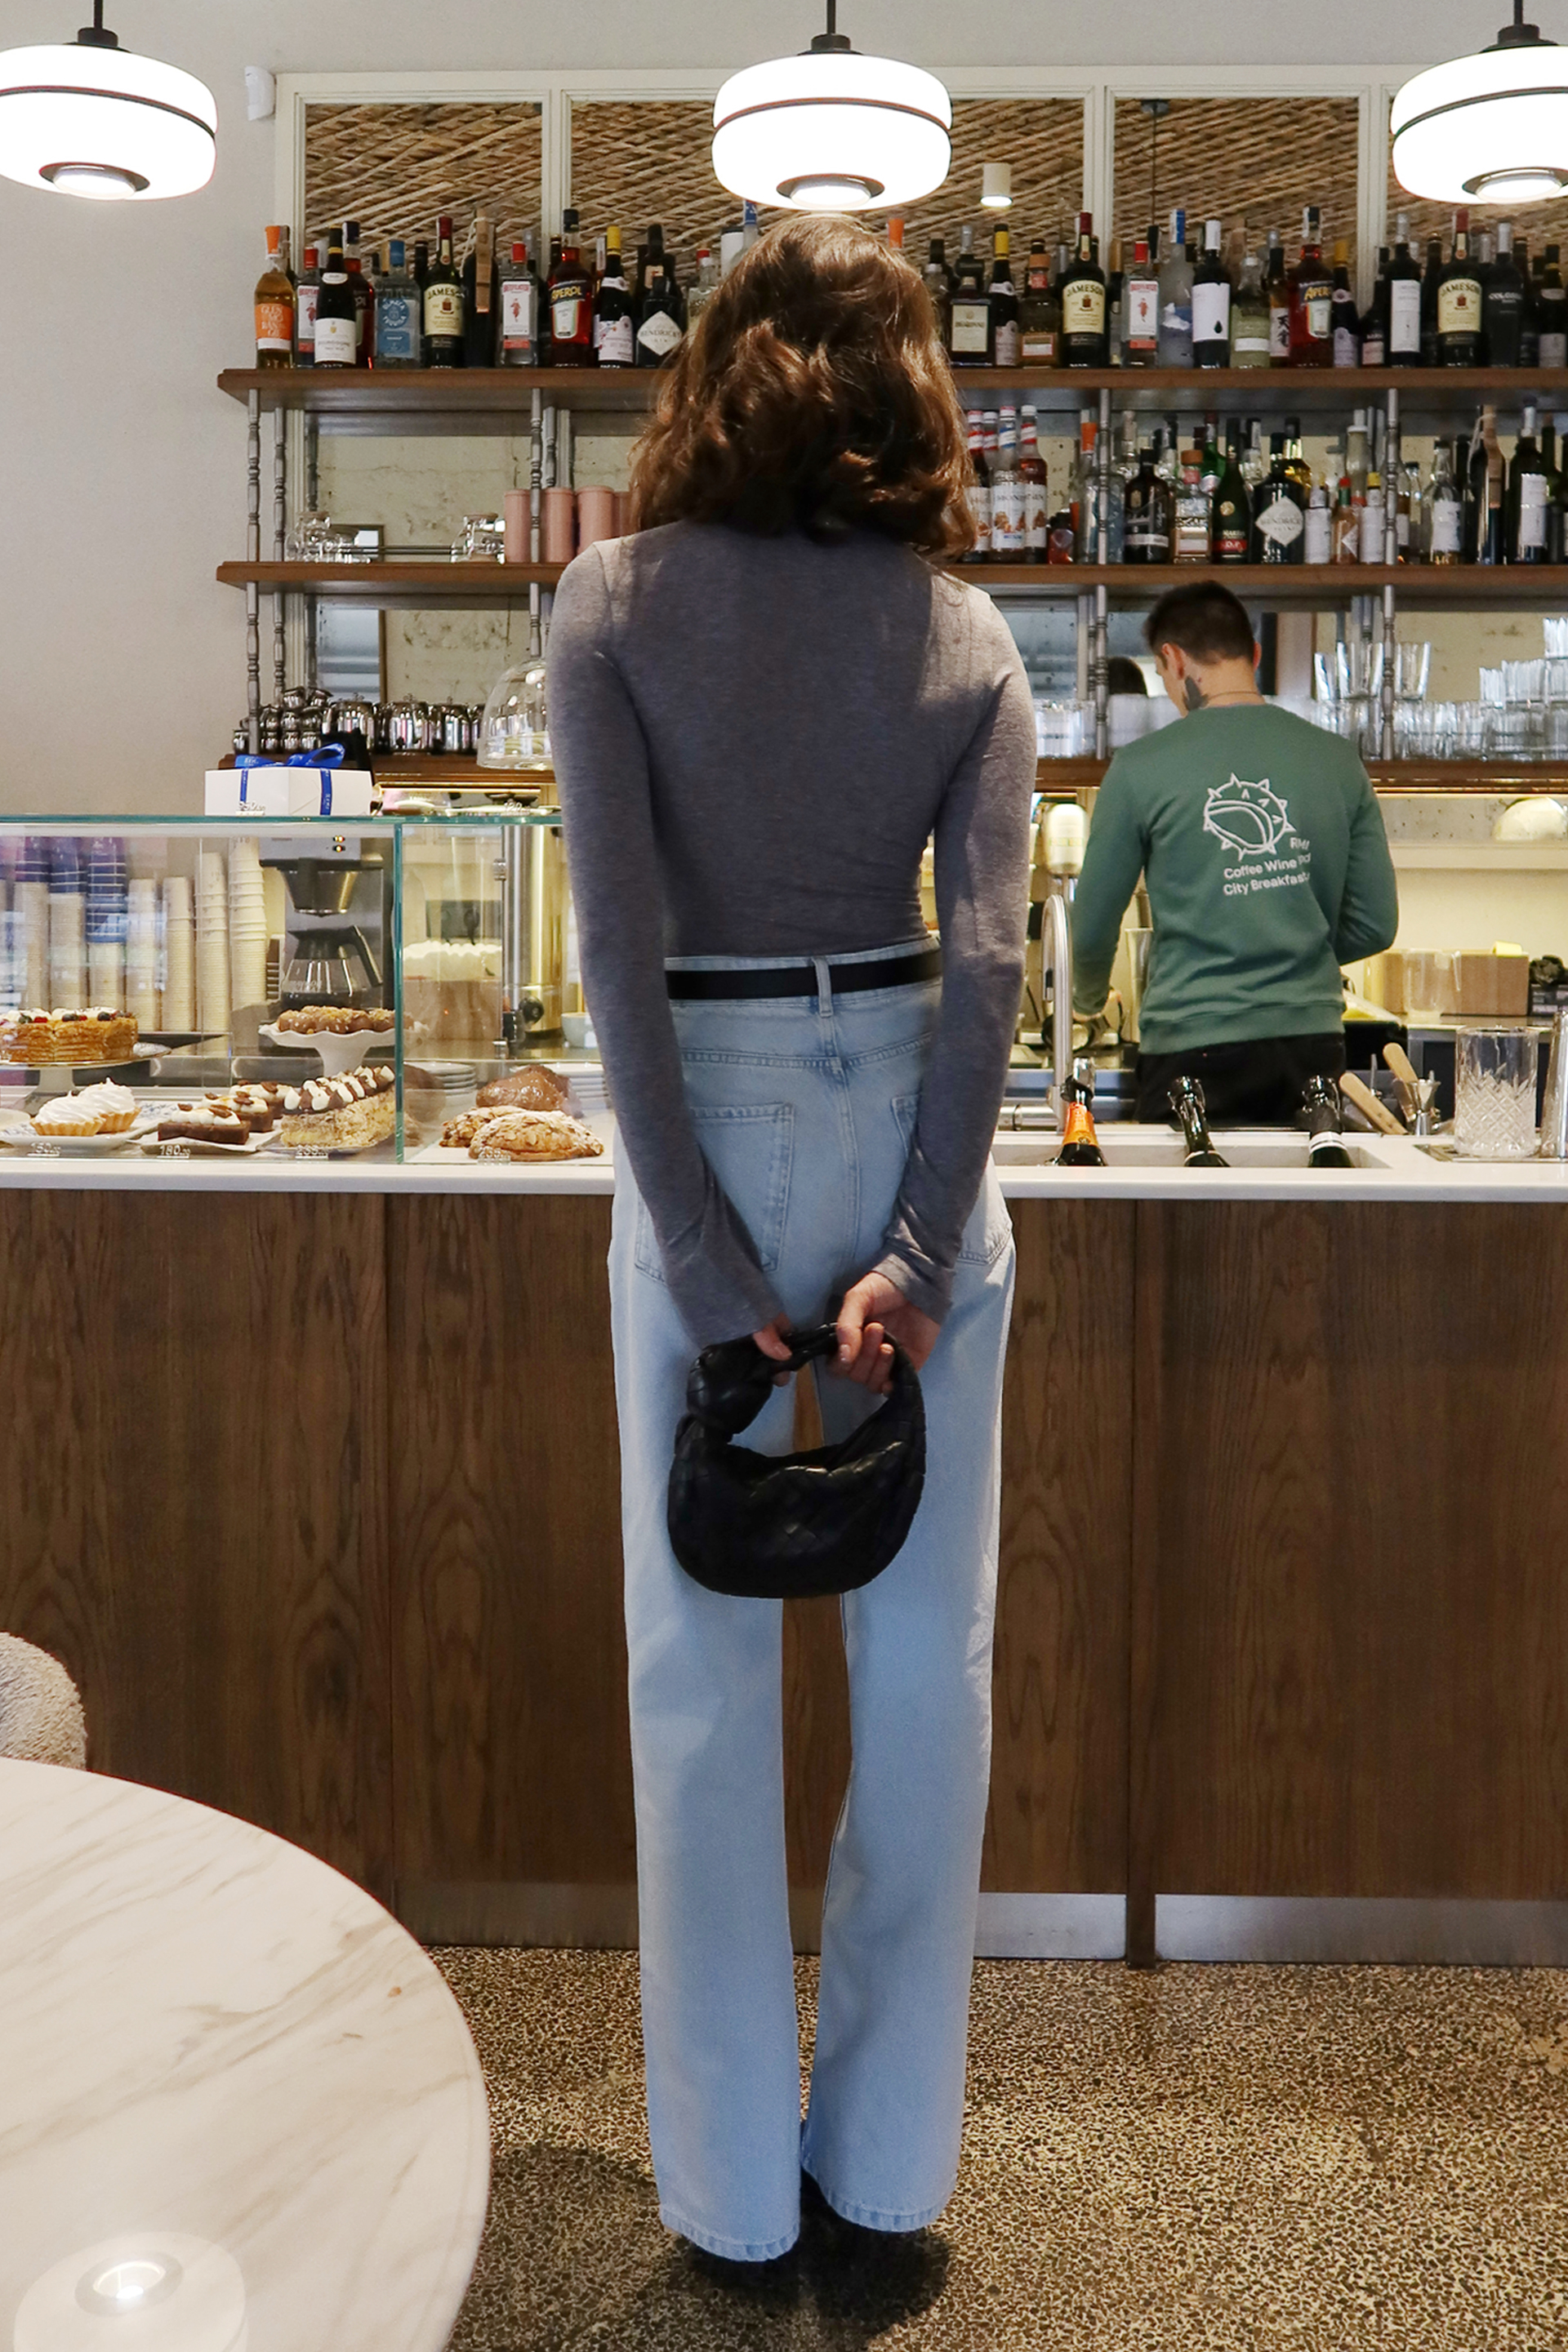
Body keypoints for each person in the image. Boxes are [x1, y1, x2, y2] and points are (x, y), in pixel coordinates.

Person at [546, 217, 1036, 2267]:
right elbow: (992, 965)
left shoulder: (610, 603)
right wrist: (915, 1246)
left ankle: (736, 2199)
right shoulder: (965, 629)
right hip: (912, 1097)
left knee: (701, 1677)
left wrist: (695, 1246)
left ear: (714, 375)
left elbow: (615, 959)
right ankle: (890, 2172)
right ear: (911, 394)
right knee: (927, 1671)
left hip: (712, 1113)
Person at [1071, 581, 1398, 1125]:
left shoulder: (1139, 768)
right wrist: (1296, 953)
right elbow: (1376, 924)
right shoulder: (1338, 761)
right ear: (1255, 655)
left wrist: (1086, 1002)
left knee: (1190, 1182)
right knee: (1305, 1182)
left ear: (1174, 660)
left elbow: (1092, 926)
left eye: (1163, 675)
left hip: (1189, 1045)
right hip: (1310, 1046)